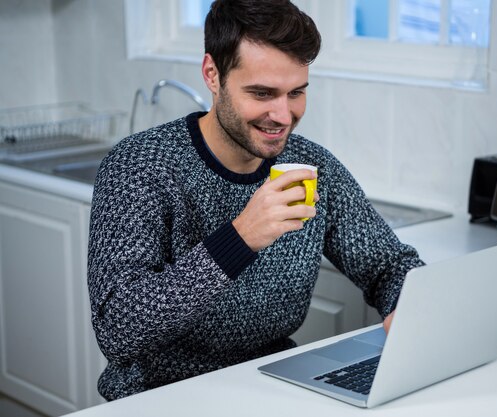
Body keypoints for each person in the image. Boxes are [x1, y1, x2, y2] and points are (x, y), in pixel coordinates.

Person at [88, 0, 424, 401]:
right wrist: (239, 239)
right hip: (160, 397)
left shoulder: (313, 166)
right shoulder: (139, 167)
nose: (283, 115)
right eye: (262, 93)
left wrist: (409, 306)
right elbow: (118, 330)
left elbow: (388, 266)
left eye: (296, 92)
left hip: (271, 387)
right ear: (213, 75)